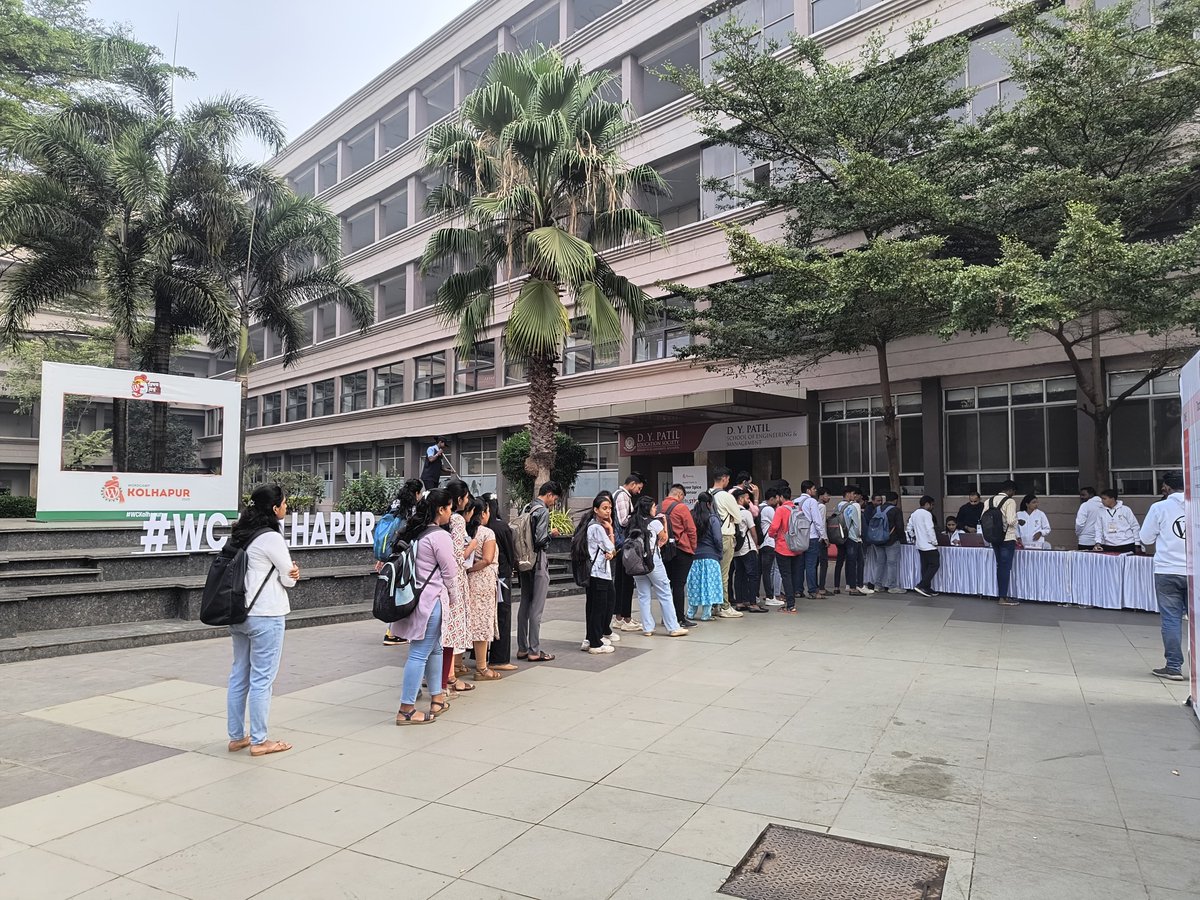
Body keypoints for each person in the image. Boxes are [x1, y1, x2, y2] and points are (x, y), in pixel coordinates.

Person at [225, 485, 299, 757]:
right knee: (262, 679)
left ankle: (236, 737)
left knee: (239, 674)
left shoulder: (239, 534)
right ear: (274, 508)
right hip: (266, 615)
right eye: (284, 503)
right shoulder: (271, 538)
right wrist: (293, 573)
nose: (286, 507)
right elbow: (288, 579)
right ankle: (259, 741)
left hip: (239, 613)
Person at [392, 489, 455, 724]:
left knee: (435, 649)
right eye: (450, 508)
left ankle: (437, 698)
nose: (451, 513)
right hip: (431, 601)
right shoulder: (440, 536)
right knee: (419, 654)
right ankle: (406, 709)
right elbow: (450, 573)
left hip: (417, 599)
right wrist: (455, 599)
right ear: (441, 509)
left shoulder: (416, 532)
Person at [1139, 472, 1187, 680]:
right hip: (1194, 570)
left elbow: (1146, 538)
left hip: (1167, 569)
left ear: (1166, 487)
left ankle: (1174, 666)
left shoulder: (1159, 507)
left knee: (1171, 619)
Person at [629, 495, 688, 637]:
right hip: (653, 560)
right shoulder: (654, 523)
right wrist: (665, 523)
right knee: (664, 591)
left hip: (636, 561)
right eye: (654, 507)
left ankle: (647, 627)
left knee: (643, 594)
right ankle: (673, 627)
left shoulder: (633, 522)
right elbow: (664, 538)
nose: (655, 509)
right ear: (648, 508)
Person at [517, 480, 561, 661]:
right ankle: (534, 650)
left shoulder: (527, 507)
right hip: (537, 561)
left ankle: (522, 648)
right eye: (555, 499)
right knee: (537, 607)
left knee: (524, 603)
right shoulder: (542, 511)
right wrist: (552, 534)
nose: (554, 503)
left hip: (524, 561)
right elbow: (540, 540)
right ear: (549, 494)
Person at [442, 481, 476, 697]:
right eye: (466, 496)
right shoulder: (457, 520)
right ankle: (450, 677)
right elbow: (456, 555)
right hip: (454, 580)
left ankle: (443, 676)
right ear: (460, 498)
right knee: (452, 629)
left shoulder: (440, 520)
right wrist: (471, 546)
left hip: (442, 580)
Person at [464, 499, 502, 681]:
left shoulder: (463, 531)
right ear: (482, 513)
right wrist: (471, 569)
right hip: (483, 582)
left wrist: (465, 570)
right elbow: (487, 559)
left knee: (466, 621)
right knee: (481, 623)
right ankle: (481, 668)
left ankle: (457, 664)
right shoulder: (487, 532)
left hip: (466, 582)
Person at [383, 478, 424, 647]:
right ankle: (392, 633)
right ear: (417, 493)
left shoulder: (395, 503)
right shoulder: (412, 507)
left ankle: (393, 631)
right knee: (402, 591)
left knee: (395, 591)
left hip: (391, 551)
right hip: (404, 553)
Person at [481, 493, 518, 671]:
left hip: (483, 577)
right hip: (501, 576)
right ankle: (500, 658)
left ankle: (480, 656)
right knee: (502, 615)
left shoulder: (479, 528)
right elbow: (511, 552)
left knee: (485, 616)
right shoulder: (501, 527)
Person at [582, 493, 617, 653]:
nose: (608, 511)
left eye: (609, 508)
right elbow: (611, 548)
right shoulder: (597, 528)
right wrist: (610, 529)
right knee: (599, 608)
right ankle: (596, 644)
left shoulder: (589, 525)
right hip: (599, 572)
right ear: (596, 509)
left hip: (593, 572)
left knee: (592, 607)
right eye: (604, 508)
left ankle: (590, 639)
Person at [661, 484, 700, 627]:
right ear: (679, 495)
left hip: (665, 550)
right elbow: (691, 530)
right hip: (681, 550)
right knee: (679, 585)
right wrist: (692, 547)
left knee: (667, 585)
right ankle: (679, 618)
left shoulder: (659, 507)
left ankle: (667, 617)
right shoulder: (681, 508)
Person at [611, 473, 644, 632]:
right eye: (638, 488)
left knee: (620, 581)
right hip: (624, 544)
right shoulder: (623, 496)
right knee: (626, 582)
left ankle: (619, 617)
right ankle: (626, 618)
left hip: (619, 545)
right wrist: (638, 516)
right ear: (632, 484)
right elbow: (624, 521)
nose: (639, 491)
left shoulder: (618, 494)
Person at [710, 467, 744, 618]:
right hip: (725, 536)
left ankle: (713, 605)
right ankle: (724, 606)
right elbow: (738, 518)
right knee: (724, 574)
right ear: (724, 478)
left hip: (709, 538)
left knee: (712, 573)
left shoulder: (706, 494)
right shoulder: (726, 496)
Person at [686, 492, 725, 622]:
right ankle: (706, 614)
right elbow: (718, 539)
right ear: (709, 504)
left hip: (694, 557)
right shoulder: (713, 519)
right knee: (709, 585)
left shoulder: (691, 517)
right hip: (710, 556)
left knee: (694, 586)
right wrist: (719, 552)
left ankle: (690, 613)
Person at [766, 486, 804, 613]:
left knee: (786, 575)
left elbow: (773, 527)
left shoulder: (781, 509)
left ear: (781, 497)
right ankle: (792, 602)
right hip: (797, 547)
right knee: (793, 575)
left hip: (783, 547)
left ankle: (790, 605)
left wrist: (773, 535)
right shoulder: (797, 508)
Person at [732, 488, 766, 613]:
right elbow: (753, 531)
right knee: (752, 575)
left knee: (739, 576)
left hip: (736, 549)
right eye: (747, 498)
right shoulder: (746, 513)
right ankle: (753, 603)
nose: (748, 500)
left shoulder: (731, 513)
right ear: (740, 499)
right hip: (747, 547)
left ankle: (740, 602)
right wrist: (756, 545)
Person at [987, 480, 1020, 607]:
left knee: (1000, 566)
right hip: (1007, 538)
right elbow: (1011, 521)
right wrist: (1018, 521)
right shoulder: (1010, 501)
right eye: (1014, 492)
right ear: (1010, 490)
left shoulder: (988, 501)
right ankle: (1003, 597)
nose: (1014, 494)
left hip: (994, 538)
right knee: (1005, 568)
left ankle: (1002, 595)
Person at [797, 480, 828, 600]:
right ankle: (812, 591)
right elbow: (817, 520)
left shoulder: (795, 501)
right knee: (811, 565)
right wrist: (823, 536)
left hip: (799, 537)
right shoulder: (812, 501)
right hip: (811, 536)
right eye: (814, 489)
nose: (815, 491)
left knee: (799, 565)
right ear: (808, 490)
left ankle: (798, 590)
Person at [908, 495, 939, 598]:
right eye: (932, 505)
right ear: (927, 504)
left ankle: (926, 587)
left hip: (920, 544)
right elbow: (930, 528)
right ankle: (921, 585)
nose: (932, 507)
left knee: (925, 566)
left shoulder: (914, 513)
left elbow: (909, 528)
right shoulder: (927, 514)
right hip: (929, 544)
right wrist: (934, 541)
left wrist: (914, 537)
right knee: (935, 564)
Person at [839, 485, 866, 595]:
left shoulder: (839, 506)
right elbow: (856, 524)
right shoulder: (853, 507)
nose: (854, 496)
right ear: (848, 494)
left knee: (848, 562)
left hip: (843, 536)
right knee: (855, 562)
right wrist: (859, 535)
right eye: (853, 493)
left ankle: (848, 585)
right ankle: (854, 587)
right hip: (853, 538)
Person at [758, 489, 783, 605]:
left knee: (763, 571)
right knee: (767, 571)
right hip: (769, 543)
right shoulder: (768, 509)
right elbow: (778, 523)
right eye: (776, 498)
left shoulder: (760, 507)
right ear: (772, 499)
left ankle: (758, 595)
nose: (778, 501)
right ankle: (769, 596)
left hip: (762, 544)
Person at [879, 491, 906, 594]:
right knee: (891, 564)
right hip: (891, 540)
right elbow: (900, 527)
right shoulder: (896, 510)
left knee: (879, 563)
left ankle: (877, 585)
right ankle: (892, 586)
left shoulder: (877, 509)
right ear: (895, 500)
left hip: (877, 540)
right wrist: (902, 539)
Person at [1075, 486, 1104, 551]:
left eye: (1083, 495)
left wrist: (1078, 533)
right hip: (1101, 540)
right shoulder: (1103, 505)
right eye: (1080, 495)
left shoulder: (1085, 505)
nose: (1081, 497)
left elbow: (1079, 524)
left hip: (1085, 540)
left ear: (1091, 495)